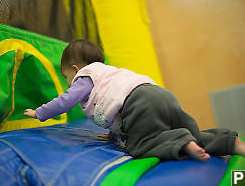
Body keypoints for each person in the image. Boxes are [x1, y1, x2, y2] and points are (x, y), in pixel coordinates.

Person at [23, 39, 245, 160]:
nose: (68, 83)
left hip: (139, 104)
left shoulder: (85, 77)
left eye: (66, 77)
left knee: (139, 145)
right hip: (160, 94)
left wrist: (39, 113)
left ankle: (181, 143)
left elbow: (65, 101)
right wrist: (113, 134)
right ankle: (229, 142)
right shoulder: (109, 74)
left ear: (75, 69)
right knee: (195, 133)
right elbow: (114, 104)